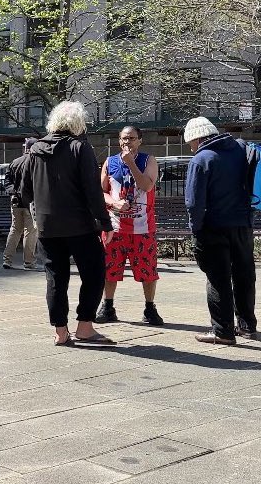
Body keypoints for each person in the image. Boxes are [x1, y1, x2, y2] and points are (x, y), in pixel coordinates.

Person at [21, 101, 116, 346]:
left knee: (55, 278)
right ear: (78, 123)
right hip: (79, 225)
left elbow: (25, 191)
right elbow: (92, 190)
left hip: (47, 226)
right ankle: (84, 326)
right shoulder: (79, 147)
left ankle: (60, 332)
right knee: (94, 273)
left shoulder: (35, 149)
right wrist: (105, 223)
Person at [183, 117, 256, 344]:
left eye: (190, 143)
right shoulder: (240, 150)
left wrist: (195, 229)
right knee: (244, 275)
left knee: (217, 278)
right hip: (243, 224)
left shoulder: (201, 160)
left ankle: (222, 330)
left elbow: (194, 202)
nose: (191, 147)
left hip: (213, 227)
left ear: (197, 138)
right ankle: (247, 326)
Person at [97, 126, 164, 326]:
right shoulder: (110, 162)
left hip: (142, 228)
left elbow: (146, 185)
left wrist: (131, 164)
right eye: (124, 139)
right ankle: (107, 306)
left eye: (132, 138)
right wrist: (113, 203)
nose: (128, 142)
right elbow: (101, 192)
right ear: (119, 141)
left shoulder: (148, 161)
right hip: (115, 227)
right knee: (110, 269)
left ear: (140, 141)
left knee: (148, 271)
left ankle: (149, 307)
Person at [3, 138, 39, 270]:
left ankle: (7, 259)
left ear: (25, 148)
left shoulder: (14, 162)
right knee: (30, 231)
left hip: (15, 201)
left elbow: (7, 181)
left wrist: (13, 193)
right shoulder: (36, 162)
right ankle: (29, 262)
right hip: (30, 202)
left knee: (15, 229)